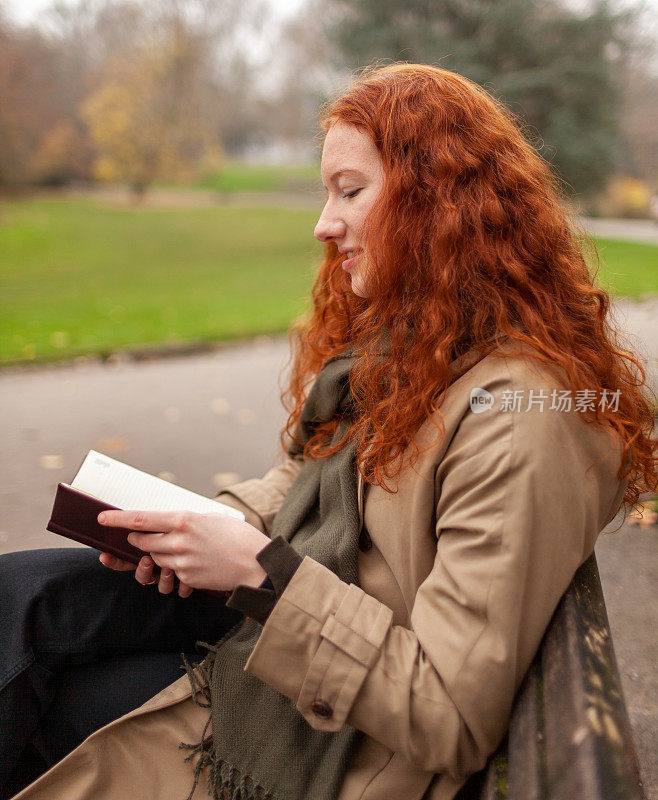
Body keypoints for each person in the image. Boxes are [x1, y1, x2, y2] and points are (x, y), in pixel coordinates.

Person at [1, 63, 656, 800]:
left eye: (350, 191)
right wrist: (194, 529)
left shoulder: (521, 420)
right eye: (327, 193)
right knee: (19, 600)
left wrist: (259, 573)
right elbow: (304, 475)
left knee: (28, 669)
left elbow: (449, 713)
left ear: (439, 201)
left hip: (337, 743)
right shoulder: (423, 348)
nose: (324, 223)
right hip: (287, 666)